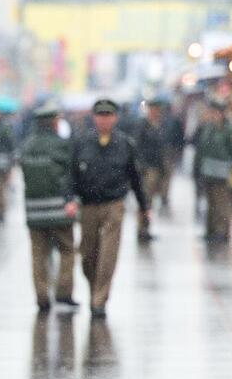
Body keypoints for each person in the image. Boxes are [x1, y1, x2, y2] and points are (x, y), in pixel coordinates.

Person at [71, 98, 150, 320]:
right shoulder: (82, 142)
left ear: (114, 118)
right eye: (100, 115)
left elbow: (135, 178)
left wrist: (144, 207)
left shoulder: (125, 144)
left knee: (108, 254)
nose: (104, 120)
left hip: (113, 205)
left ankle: (99, 300)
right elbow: (71, 174)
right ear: (94, 118)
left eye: (108, 115)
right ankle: (94, 287)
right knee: (87, 254)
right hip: (87, 205)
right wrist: (69, 198)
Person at [20, 101, 78, 313]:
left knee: (38, 255)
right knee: (67, 251)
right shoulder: (62, 145)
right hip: (60, 209)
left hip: (34, 210)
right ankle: (63, 292)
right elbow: (71, 174)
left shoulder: (27, 146)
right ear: (54, 122)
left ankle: (42, 296)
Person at [192, 98, 232, 243]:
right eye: (211, 112)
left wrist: (231, 163)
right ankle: (211, 230)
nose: (212, 115)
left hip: (222, 172)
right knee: (211, 203)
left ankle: (222, 232)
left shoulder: (229, 130)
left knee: (222, 203)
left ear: (221, 113)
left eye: (215, 112)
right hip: (208, 171)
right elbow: (200, 147)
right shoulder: (208, 128)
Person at [135, 99, 167, 241]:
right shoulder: (143, 126)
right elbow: (137, 146)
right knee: (145, 200)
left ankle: (146, 228)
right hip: (147, 169)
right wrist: (142, 166)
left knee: (150, 200)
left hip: (156, 167)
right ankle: (142, 229)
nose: (156, 112)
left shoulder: (158, 125)